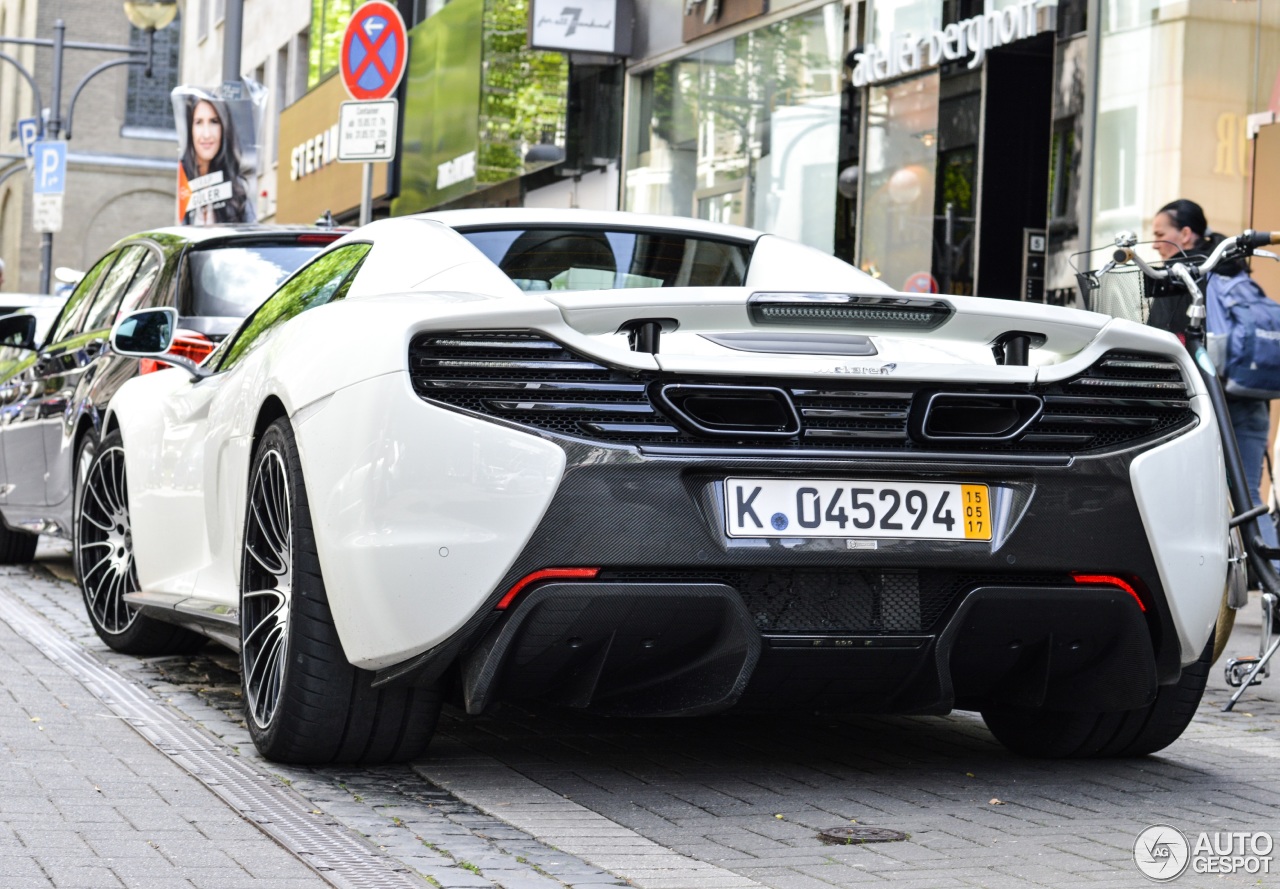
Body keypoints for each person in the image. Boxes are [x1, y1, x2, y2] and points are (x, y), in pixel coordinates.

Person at [1152, 198, 1279, 555]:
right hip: (1250, 396)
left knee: (1187, 494)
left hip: (1208, 400)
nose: (1155, 243)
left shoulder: (1178, 277)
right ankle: (1276, 584)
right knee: (1250, 495)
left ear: (1186, 234)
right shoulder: (1234, 271)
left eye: (1160, 234)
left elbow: (1163, 345)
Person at [180, 94, 255, 225]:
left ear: (224, 128)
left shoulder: (236, 187)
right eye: (198, 122)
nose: (207, 134)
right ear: (190, 129)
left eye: (214, 122)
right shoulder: (183, 181)